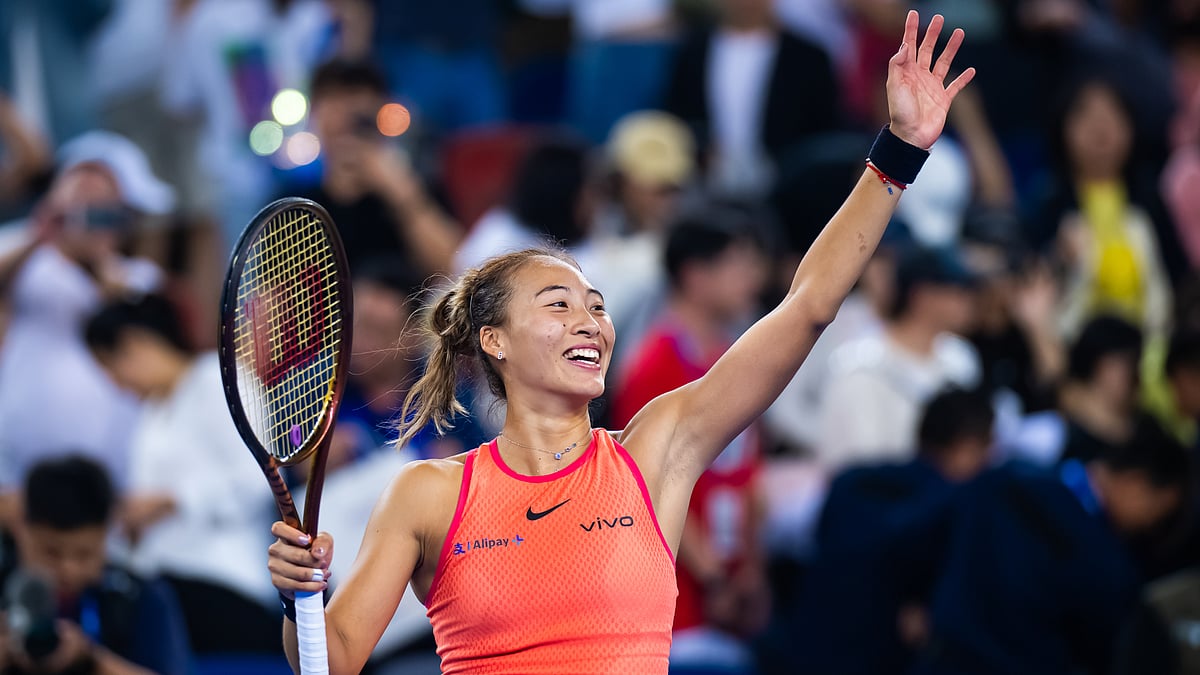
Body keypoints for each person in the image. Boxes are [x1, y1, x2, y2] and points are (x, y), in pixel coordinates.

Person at [267, 12, 975, 674]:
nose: (591, 322)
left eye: (597, 307)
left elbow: (809, 305)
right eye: (559, 304)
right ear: (495, 340)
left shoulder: (657, 449)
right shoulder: (426, 493)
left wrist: (895, 157)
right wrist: (300, 597)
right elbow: (331, 658)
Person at [610, 209, 769, 673]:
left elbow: (749, 475)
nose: (753, 278)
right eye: (738, 264)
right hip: (677, 605)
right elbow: (649, 480)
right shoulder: (652, 365)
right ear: (695, 275)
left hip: (734, 590)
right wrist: (713, 576)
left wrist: (751, 569)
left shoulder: (732, 360)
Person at [83, 293, 280, 655]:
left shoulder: (217, 381)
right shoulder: (152, 413)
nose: (115, 385)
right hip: (162, 578)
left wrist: (173, 501)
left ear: (135, 345)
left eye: (110, 368)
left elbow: (257, 481)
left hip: (222, 581)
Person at [915, 420, 1189, 675]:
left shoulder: (1005, 475)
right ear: (1135, 482)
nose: (1150, 526)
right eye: (1159, 512)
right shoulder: (1108, 566)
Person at [0, 131, 172, 525]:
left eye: (107, 209)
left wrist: (98, 266)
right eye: (85, 203)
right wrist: (40, 233)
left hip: (116, 494)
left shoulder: (138, 278)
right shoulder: (24, 256)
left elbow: (151, 342)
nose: (95, 219)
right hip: (19, 485)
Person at [779, 386, 995, 675]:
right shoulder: (955, 507)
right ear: (968, 448)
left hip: (801, 652)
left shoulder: (850, 481)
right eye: (989, 448)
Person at [0, 456, 191, 674]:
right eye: (51, 553)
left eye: (84, 554)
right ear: (20, 530)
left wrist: (91, 660)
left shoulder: (138, 598)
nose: (68, 568)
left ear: (106, 537)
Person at [816, 244, 981, 471]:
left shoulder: (962, 359)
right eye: (957, 290)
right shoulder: (858, 367)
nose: (968, 301)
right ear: (922, 297)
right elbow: (856, 470)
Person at [297, 59, 461, 279]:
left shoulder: (416, 188)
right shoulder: (295, 207)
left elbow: (457, 268)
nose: (345, 116)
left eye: (356, 100)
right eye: (333, 101)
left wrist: (401, 192)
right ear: (315, 115)